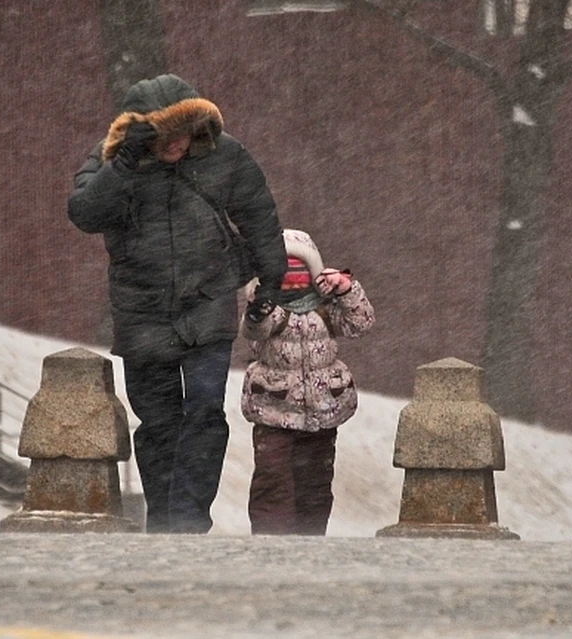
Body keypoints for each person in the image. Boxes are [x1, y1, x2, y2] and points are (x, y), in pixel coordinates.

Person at [67, 74, 287, 534]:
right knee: (159, 422)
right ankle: (164, 520)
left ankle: (188, 519)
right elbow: (85, 213)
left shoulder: (225, 155)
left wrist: (273, 277)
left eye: (183, 133)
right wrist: (126, 163)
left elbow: (258, 214)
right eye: (166, 136)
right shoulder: (113, 160)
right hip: (140, 310)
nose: (176, 145)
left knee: (206, 410)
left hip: (207, 300)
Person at [240, 229, 375, 535]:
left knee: (314, 482)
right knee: (272, 479)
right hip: (274, 409)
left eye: (299, 269)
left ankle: (311, 540)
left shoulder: (327, 308)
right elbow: (254, 329)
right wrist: (258, 307)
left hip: (322, 411)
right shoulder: (270, 308)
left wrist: (346, 289)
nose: (292, 278)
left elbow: (361, 322)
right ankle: (272, 542)